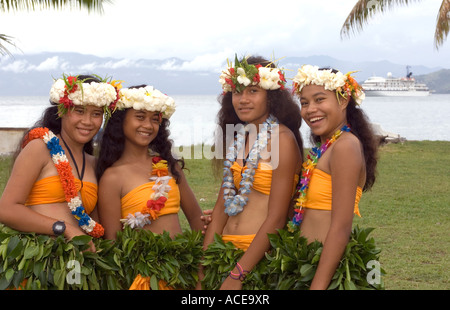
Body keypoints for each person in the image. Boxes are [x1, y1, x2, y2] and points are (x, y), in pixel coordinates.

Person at [198, 55, 304, 290]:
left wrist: (238, 274)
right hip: (222, 254)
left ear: (271, 96)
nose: (243, 100)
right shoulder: (239, 137)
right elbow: (221, 209)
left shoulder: (282, 140)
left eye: (253, 91)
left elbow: (276, 218)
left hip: (255, 261)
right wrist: (202, 272)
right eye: (237, 92)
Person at [95, 84, 204, 290]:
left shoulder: (168, 166)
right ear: (121, 120)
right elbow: (113, 245)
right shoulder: (112, 177)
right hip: (144, 279)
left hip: (184, 274)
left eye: (155, 119)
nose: (148, 125)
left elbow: (197, 221)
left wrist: (200, 273)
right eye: (140, 116)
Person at [0, 74, 119, 255]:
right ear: (62, 110)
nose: (87, 121)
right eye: (79, 111)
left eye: (96, 114)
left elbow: (94, 224)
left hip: (77, 267)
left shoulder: (94, 163)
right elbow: (6, 210)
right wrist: (64, 229)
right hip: (37, 262)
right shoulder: (40, 148)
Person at [288, 65, 378, 289]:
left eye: (320, 99)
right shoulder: (325, 148)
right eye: (304, 102)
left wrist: (317, 286)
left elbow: (340, 226)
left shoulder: (346, 146)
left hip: (326, 274)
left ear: (344, 100)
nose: (310, 109)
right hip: (305, 265)